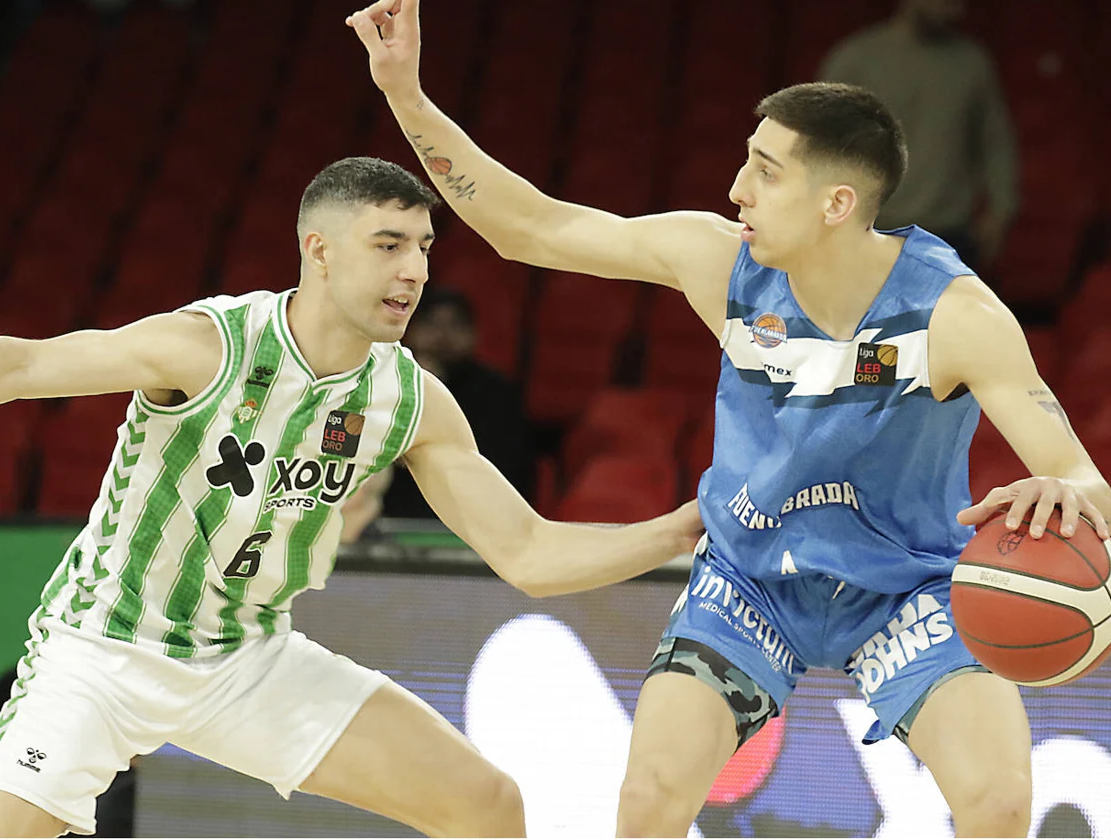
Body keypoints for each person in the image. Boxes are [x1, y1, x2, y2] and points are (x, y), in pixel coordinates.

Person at [346, 2, 1111, 836]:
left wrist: (1063, 494)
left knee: (1000, 804)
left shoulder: (955, 313)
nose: (737, 188)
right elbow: (531, 226)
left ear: (836, 203)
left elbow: (1083, 478)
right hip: (750, 579)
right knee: (648, 800)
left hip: (902, 588)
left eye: (767, 170)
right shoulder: (719, 261)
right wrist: (406, 96)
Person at [0, 156, 703, 837]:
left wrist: (676, 531)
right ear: (319, 251)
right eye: (389, 245)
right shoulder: (209, 347)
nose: (415, 272)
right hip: (102, 652)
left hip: (245, 657)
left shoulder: (409, 399)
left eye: (424, 248)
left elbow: (528, 551)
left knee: (487, 806)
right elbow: (19, 369)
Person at [819, 0, 1018, 269]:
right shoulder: (855, 60)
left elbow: (995, 143)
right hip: (873, 231)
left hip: (950, 236)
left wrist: (1001, 210)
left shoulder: (972, 63)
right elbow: (822, 146)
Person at [384, 286, 531, 518]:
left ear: (474, 334)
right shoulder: (387, 382)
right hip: (391, 518)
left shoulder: (496, 392)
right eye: (432, 324)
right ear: (412, 330)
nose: (443, 335)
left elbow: (505, 467)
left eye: (455, 325)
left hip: (472, 517)